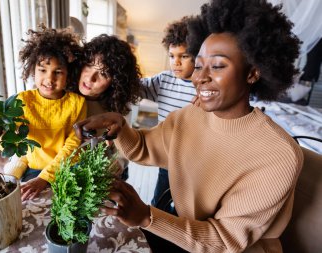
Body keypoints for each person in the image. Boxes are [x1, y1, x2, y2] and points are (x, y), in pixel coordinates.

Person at [73, 0, 303, 252]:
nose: (199, 78)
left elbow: (224, 240)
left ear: (253, 73)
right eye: (199, 64)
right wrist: (118, 123)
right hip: (183, 233)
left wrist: (147, 217)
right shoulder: (189, 117)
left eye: (216, 66)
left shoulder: (278, 154)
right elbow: (142, 148)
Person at [4, 26, 86, 201]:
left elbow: (72, 146)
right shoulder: (22, 100)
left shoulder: (77, 103)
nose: (49, 79)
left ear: (69, 74)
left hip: (65, 169)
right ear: (32, 70)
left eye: (58, 72)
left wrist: (45, 177)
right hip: (31, 169)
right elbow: (11, 143)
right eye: (42, 70)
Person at [140, 16, 196, 208]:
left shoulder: (204, 87)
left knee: (187, 208)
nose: (176, 62)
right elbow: (135, 88)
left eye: (184, 56)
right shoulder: (162, 80)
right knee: (159, 203)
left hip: (194, 163)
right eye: (172, 56)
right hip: (167, 159)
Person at [69, 34, 142, 179]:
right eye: (89, 65)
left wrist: (116, 165)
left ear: (115, 82)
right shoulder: (62, 95)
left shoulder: (119, 107)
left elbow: (123, 153)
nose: (90, 78)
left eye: (103, 73)